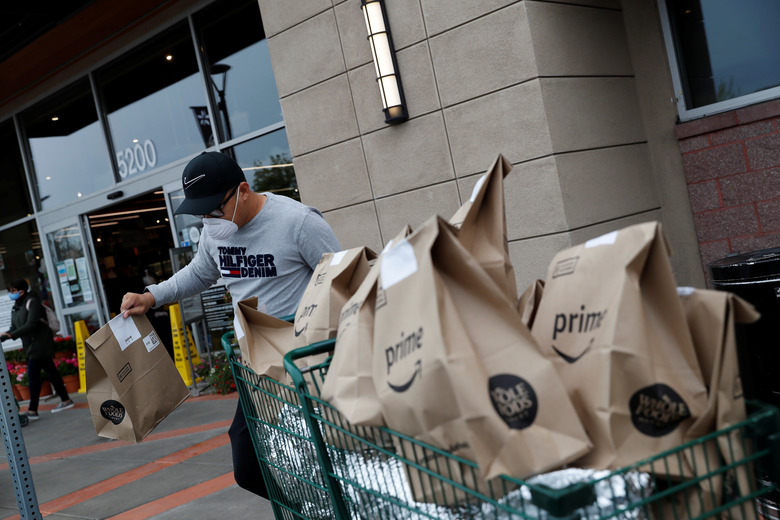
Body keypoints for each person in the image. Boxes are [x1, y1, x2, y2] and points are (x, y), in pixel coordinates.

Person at [120, 151, 340, 500]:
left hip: (301, 359)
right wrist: (152, 296)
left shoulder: (298, 223)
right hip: (257, 363)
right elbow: (199, 273)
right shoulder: (215, 233)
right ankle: (312, 508)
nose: (209, 220)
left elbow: (340, 280)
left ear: (243, 190)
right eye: (201, 213)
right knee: (248, 466)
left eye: (214, 209)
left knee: (318, 451)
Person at [1, 279, 75, 420]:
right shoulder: (16, 306)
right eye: (10, 291)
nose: (11, 294)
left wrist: (12, 335)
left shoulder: (32, 302)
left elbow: (32, 324)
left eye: (13, 291)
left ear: (22, 291)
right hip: (30, 345)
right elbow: (14, 327)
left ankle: (33, 410)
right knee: (51, 372)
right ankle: (66, 400)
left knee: (32, 375)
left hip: (40, 343)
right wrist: (7, 334)